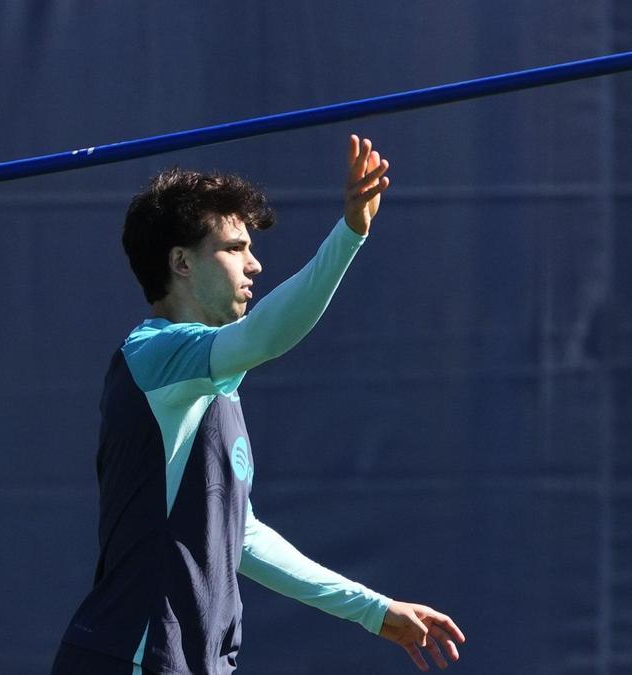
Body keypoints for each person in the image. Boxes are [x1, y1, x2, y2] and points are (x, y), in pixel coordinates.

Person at [51, 135, 465, 674]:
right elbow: (265, 334)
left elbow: (238, 535)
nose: (255, 266)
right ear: (180, 262)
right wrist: (351, 233)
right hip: (131, 659)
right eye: (233, 248)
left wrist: (373, 611)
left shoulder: (216, 382)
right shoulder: (154, 355)